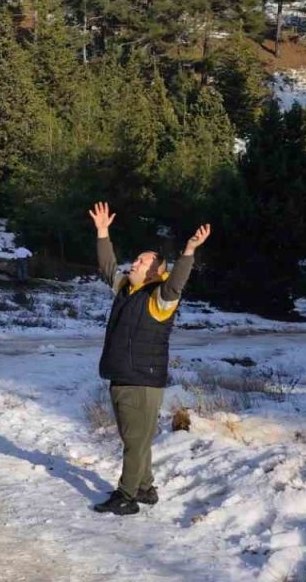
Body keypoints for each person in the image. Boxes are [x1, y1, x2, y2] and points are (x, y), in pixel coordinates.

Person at [89, 202, 210, 516]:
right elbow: (107, 268)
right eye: (136, 259)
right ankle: (144, 487)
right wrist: (103, 232)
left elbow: (176, 283)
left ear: (157, 270)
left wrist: (189, 252)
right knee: (137, 439)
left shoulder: (160, 299)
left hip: (140, 381)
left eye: (142, 261)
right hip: (123, 376)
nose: (134, 263)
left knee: (134, 442)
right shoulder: (128, 289)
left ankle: (126, 496)